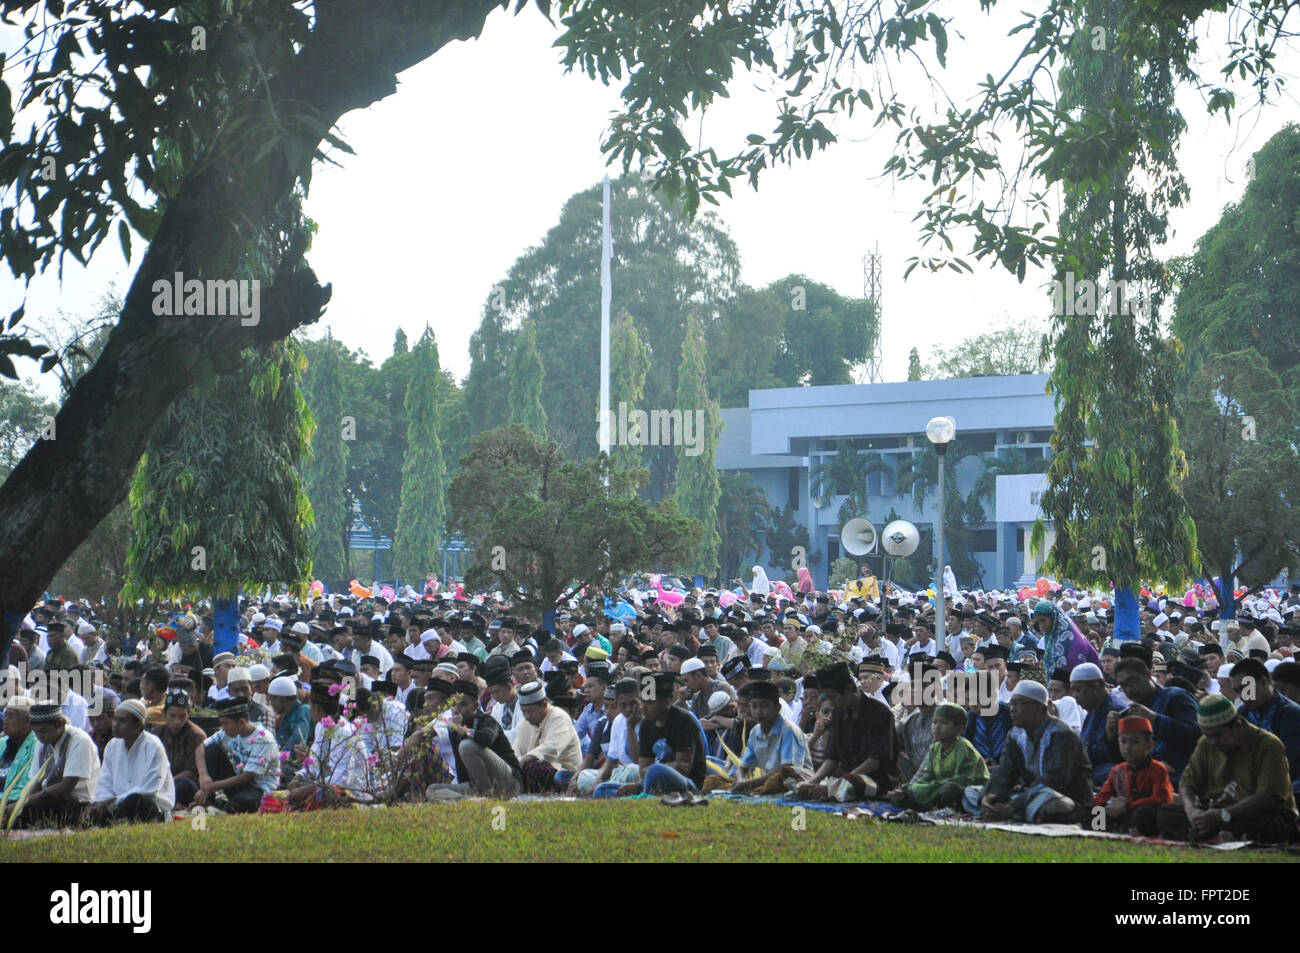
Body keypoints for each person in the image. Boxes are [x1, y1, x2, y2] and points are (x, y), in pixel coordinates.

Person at [1156, 695, 1300, 843]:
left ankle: (1210, 835)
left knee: (1255, 824)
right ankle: (1218, 835)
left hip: (1262, 813)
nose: (1213, 742)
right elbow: (1187, 785)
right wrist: (1192, 811)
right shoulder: (1206, 743)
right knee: (1166, 813)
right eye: (1208, 736)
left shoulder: (1269, 744)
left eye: (1218, 735)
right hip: (1219, 811)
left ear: (1237, 726)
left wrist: (1224, 815)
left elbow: (1268, 797)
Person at [962, 680, 1092, 824]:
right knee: (971, 793)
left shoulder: (1062, 734)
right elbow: (1004, 772)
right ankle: (998, 810)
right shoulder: (1015, 734)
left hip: (1061, 796)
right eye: (1012, 703)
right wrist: (989, 796)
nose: (1012, 709)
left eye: (1019, 704)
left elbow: (1055, 780)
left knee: (1048, 801)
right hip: (1027, 794)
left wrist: (1013, 806)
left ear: (1039, 708)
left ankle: (1011, 812)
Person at [796, 662, 897, 802]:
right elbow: (831, 759)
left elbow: (873, 762)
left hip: (873, 781)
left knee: (855, 783)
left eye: (832, 697)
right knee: (793, 775)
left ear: (849, 689)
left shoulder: (880, 713)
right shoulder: (838, 713)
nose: (830, 702)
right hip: (842, 777)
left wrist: (838, 785)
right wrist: (812, 782)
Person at [707, 681, 811, 794]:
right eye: (754, 706)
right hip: (760, 781)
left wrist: (749, 784)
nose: (758, 712)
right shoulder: (755, 731)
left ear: (777, 707)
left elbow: (786, 770)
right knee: (711, 781)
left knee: (774, 781)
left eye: (765, 706)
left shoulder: (789, 731)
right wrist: (741, 780)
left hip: (794, 782)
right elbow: (743, 767)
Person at [82, 699, 174, 825]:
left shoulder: (153, 745)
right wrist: (100, 803)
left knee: (136, 801)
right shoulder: (112, 746)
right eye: (115, 719)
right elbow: (105, 782)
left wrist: (113, 801)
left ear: (138, 726)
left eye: (122, 721)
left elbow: (149, 790)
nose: (116, 724)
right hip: (117, 805)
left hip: (150, 808)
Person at [616, 672, 707, 796]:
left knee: (656, 770)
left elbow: (683, 768)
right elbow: (642, 768)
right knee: (603, 789)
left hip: (689, 785)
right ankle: (646, 792)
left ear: (666, 701)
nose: (644, 708)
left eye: (650, 703)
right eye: (643, 702)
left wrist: (650, 774)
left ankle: (646, 793)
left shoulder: (684, 721)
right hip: (654, 780)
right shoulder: (646, 724)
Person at [1110, 657, 1200, 782]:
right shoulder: (1129, 713)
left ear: (1148, 674)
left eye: (1132, 681)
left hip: (1180, 773)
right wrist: (1112, 735)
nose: (1129, 690)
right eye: (1124, 686)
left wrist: (1155, 719)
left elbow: (1195, 733)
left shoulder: (1176, 697)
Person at [886, 703, 988, 810]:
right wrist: (907, 789)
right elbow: (927, 777)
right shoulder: (935, 749)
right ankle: (932, 807)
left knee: (949, 790)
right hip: (938, 789)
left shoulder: (963, 747)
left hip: (970, 791)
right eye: (934, 722)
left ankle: (940, 808)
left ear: (959, 728)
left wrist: (929, 788)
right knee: (902, 797)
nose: (937, 727)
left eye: (944, 723)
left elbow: (963, 780)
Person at [286, 682, 370, 809]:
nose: (309, 710)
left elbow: (340, 780)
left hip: (352, 795)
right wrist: (298, 777)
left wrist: (307, 788)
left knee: (326, 794)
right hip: (321, 785)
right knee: (273, 799)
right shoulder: (321, 726)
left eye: (311, 706)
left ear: (318, 710)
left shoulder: (346, 734)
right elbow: (315, 764)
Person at [15, 703, 100, 828]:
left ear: (59, 724)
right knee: (18, 809)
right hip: (47, 799)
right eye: (35, 732)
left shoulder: (79, 740)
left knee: (44, 802)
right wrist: (20, 805)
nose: (39, 736)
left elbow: (67, 785)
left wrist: (23, 803)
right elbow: (36, 783)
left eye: (43, 731)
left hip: (78, 803)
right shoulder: (42, 742)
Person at [438, 679, 523, 798]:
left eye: (463, 704)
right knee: (432, 790)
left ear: (476, 706)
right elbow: (460, 765)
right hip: (476, 785)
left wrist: (463, 731)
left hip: (507, 783)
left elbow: (486, 739)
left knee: (466, 746)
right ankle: (472, 801)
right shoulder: (454, 730)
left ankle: (486, 796)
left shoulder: (487, 721)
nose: (456, 710)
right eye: (453, 705)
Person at [194, 697, 280, 814]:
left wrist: (212, 786)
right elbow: (200, 747)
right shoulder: (229, 731)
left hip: (260, 789)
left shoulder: (263, 739)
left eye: (225, 724)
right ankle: (207, 800)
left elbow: (247, 776)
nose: (223, 728)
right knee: (211, 750)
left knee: (238, 803)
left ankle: (219, 804)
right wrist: (203, 776)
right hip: (239, 784)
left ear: (241, 722)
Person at [1092, 716, 1174, 835]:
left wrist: (1127, 805)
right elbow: (1101, 797)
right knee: (1094, 810)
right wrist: (1111, 805)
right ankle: (1099, 832)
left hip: (1141, 814)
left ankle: (1131, 830)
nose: (1127, 747)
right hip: (1118, 813)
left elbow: (1162, 798)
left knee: (1144, 814)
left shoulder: (1157, 769)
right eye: (1123, 741)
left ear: (1149, 745)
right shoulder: (1117, 770)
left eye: (1135, 742)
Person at [1229, 658, 1300, 796]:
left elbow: (1287, 765)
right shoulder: (1242, 714)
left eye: (1245, 688)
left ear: (1263, 681)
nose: (1242, 696)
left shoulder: (1291, 715)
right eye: (1237, 691)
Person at [512, 680, 582, 792]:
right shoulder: (527, 722)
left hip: (564, 771)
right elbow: (517, 747)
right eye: (524, 711)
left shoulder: (559, 717)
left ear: (544, 705)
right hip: (536, 767)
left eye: (531, 711)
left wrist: (524, 759)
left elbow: (552, 748)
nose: (527, 716)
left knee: (531, 767)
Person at [1072, 662, 1123, 787]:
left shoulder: (1114, 710)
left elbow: (1114, 754)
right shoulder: (1093, 708)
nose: (1075, 696)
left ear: (1095, 686)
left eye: (1078, 689)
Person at [159, 687, 207, 808]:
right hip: (159, 782)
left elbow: (190, 772)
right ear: (164, 713)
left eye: (182, 716)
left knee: (183, 784)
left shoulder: (196, 736)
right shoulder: (156, 734)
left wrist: (167, 784)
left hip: (183, 784)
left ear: (189, 714)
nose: (177, 721)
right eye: (172, 716)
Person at [0, 696, 37, 806]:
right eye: (5, 715)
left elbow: (23, 789)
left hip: (11, 805)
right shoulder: (2, 742)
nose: (5, 721)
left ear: (27, 721)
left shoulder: (36, 746)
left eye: (11, 716)